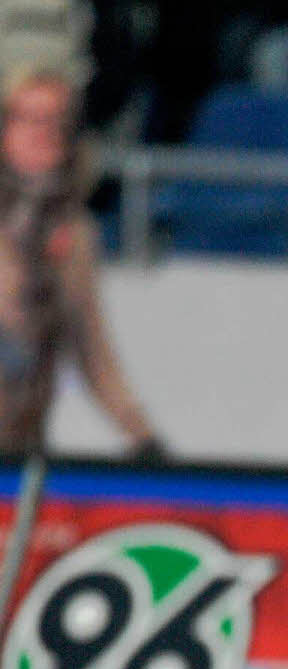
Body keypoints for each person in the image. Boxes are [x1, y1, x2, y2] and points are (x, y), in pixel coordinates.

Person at [0, 65, 159, 455]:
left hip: (20, 447)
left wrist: (142, 437)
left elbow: (92, 351)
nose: (44, 132)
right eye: (30, 118)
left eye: (57, 121)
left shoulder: (73, 233)